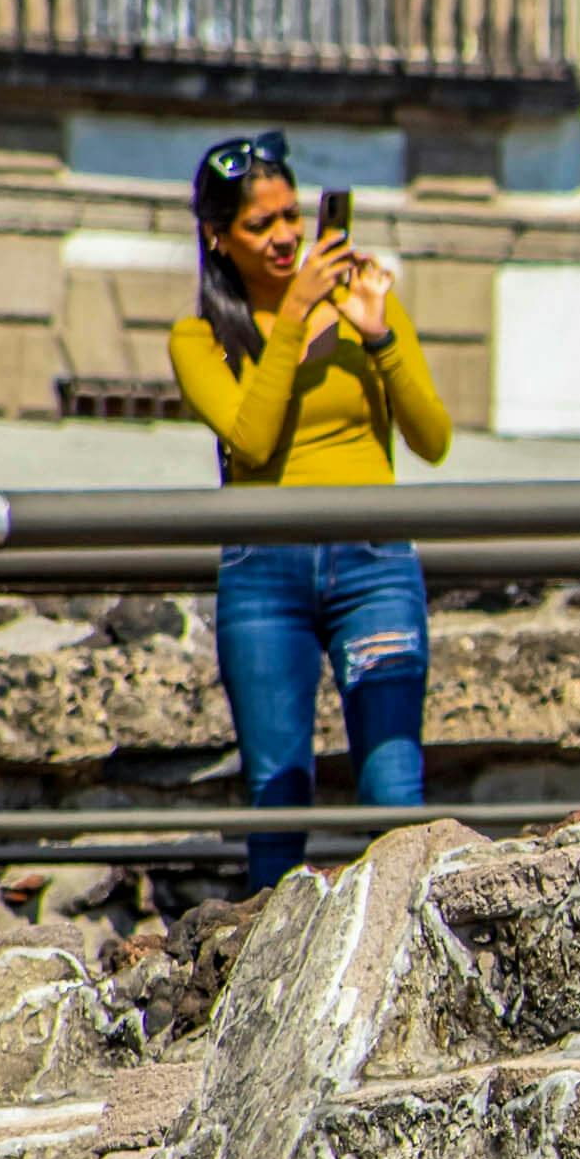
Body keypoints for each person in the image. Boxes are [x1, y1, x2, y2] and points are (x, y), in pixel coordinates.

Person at [170, 131, 451, 893]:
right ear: (217, 238)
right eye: (261, 225)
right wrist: (294, 317)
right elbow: (252, 441)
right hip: (264, 577)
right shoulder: (199, 339)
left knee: (396, 794)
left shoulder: (362, 308)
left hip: (375, 567)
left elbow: (434, 440)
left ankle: (406, 972)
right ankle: (268, 984)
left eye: (290, 215)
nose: (287, 236)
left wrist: (381, 332)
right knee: (276, 795)